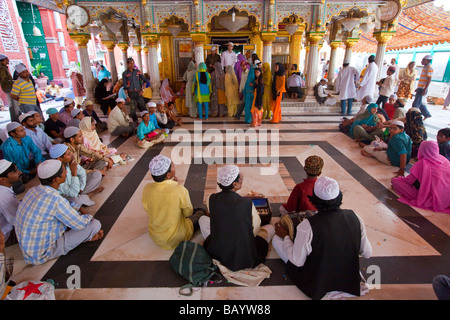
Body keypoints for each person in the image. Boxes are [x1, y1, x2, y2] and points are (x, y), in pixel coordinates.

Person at [272, 176, 372, 300]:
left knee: (277, 239)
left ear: (314, 199)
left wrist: (286, 236)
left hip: (318, 283)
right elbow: (367, 253)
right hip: (348, 280)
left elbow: (297, 261)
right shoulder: (355, 217)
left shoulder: (308, 225)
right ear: (339, 197)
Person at [15, 159, 103, 265]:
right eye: (63, 171)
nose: (66, 172)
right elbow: (80, 224)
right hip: (42, 252)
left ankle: (82, 234)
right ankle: (84, 239)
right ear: (56, 179)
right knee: (95, 225)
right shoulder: (55, 200)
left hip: (29, 246)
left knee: (75, 203)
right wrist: (88, 217)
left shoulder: (33, 190)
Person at [199, 165, 275, 272]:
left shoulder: (211, 198)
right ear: (234, 184)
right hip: (243, 254)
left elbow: (212, 215)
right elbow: (255, 230)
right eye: (241, 180)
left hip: (219, 249)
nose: (242, 181)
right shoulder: (247, 203)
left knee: (202, 219)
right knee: (270, 228)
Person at [142, 155, 205, 250]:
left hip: (156, 236)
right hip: (177, 238)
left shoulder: (147, 188)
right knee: (201, 211)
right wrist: (176, 186)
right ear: (168, 175)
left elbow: (147, 209)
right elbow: (188, 213)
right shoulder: (179, 190)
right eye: (172, 165)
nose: (174, 165)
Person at [392, 140, 450, 213]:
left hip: (429, 198)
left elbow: (409, 181)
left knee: (395, 181)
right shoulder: (444, 159)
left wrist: (399, 179)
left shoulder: (422, 163)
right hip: (446, 198)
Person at [0, 160, 21, 245]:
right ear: (2, 179)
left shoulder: (4, 187)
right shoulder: (4, 196)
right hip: (6, 235)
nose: (20, 172)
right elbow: (19, 220)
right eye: (14, 172)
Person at [122, 57, 147, 121]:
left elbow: (145, 81)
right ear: (127, 64)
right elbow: (125, 86)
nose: (132, 65)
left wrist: (142, 90)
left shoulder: (138, 72)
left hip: (138, 92)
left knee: (144, 107)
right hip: (131, 93)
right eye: (130, 63)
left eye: (133, 63)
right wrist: (127, 96)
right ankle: (136, 122)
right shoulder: (125, 73)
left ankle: (147, 121)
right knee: (133, 110)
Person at [0, 54, 20, 122]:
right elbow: (4, 80)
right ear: (3, 60)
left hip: (9, 88)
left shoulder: (4, 67)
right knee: (14, 106)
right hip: (9, 88)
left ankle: (17, 119)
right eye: (7, 59)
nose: (8, 60)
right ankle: (16, 120)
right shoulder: (2, 68)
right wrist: (14, 82)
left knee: (14, 105)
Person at [412, 55, 433, 120]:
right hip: (420, 88)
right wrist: (418, 88)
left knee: (415, 104)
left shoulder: (429, 68)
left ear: (428, 61)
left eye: (424, 60)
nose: (422, 61)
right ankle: (427, 114)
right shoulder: (425, 67)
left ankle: (414, 117)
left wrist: (424, 89)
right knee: (420, 103)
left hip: (423, 88)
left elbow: (429, 80)